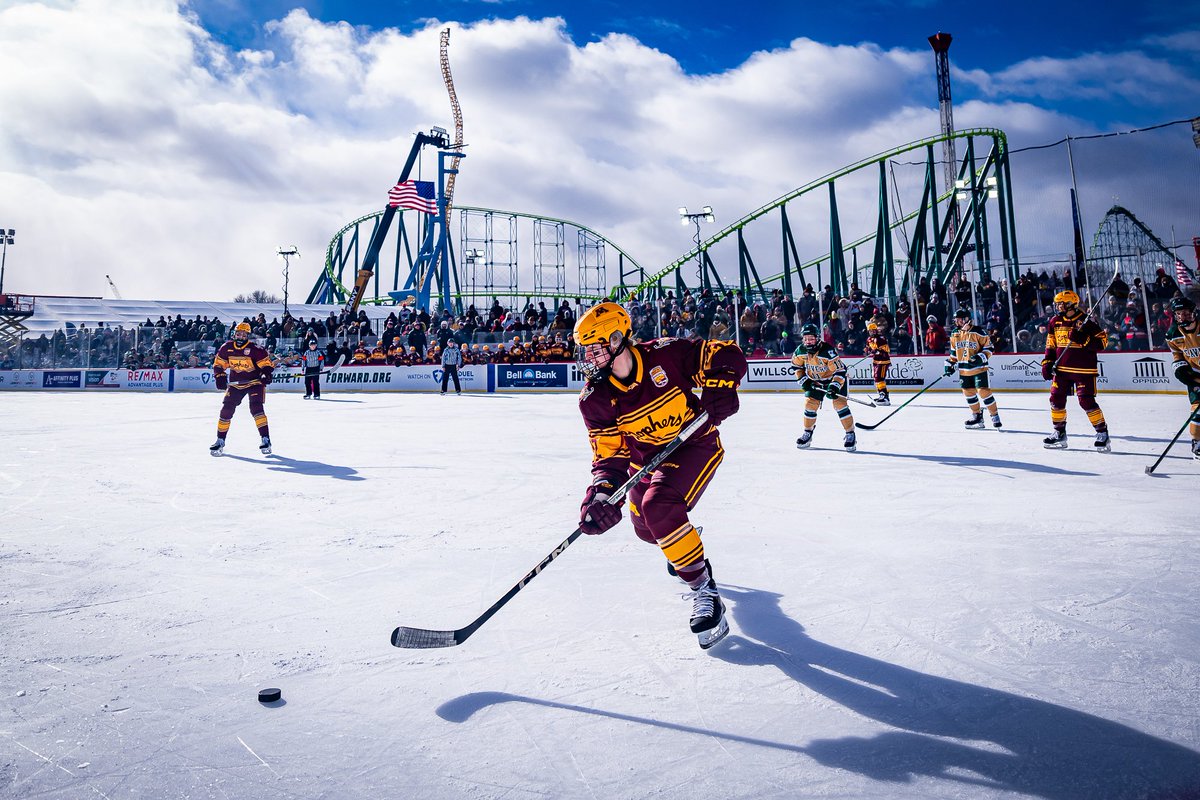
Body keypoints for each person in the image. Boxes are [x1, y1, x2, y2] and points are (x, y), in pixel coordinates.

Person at [573, 301, 747, 648]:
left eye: (593, 349)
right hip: (643, 465)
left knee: (659, 506)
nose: (587, 358)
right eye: (585, 351)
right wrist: (601, 494)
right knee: (649, 532)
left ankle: (704, 588)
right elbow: (609, 457)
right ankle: (680, 535)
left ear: (617, 339)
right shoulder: (594, 399)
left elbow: (726, 355)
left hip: (695, 446)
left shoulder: (666, 355)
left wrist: (722, 382)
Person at [1041, 290, 1110, 451]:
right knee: (1055, 400)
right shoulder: (1054, 322)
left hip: (1083, 370)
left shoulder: (1085, 322)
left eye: (1060, 303)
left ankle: (1102, 434)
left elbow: (1103, 342)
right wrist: (1047, 362)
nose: (1057, 306)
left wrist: (1083, 339)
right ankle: (1059, 433)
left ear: (1070, 304)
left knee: (1086, 401)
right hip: (1061, 370)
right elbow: (1050, 345)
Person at [209, 322, 274, 456]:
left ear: (247, 336)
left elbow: (267, 365)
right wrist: (220, 376)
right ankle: (220, 440)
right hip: (235, 384)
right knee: (226, 410)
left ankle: (265, 439)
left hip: (254, 383)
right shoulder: (226, 348)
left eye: (244, 334)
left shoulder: (256, 349)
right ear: (234, 334)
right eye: (238, 333)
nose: (241, 336)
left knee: (256, 408)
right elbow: (219, 364)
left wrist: (265, 373)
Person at [791, 323, 857, 452]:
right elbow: (797, 367)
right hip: (815, 382)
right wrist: (804, 381)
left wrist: (834, 386)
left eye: (811, 338)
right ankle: (808, 432)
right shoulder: (800, 351)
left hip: (835, 380)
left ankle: (850, 434)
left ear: (817, 338)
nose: (808, 341)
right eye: (805, 339)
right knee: (810, 406)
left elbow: (839, 371)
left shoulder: (828, 351)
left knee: (840, 406)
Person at [944, 308, 1002, 430]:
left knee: (983, 392)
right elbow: (954, 353)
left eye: (959, 320)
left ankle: (994, 415)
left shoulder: (978, 332)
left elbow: (990, 348)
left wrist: (980, 357)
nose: (957, 322)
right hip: (964, 371)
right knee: (968, 393)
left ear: (966, 319)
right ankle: (977, 416)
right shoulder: (955, 333)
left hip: (979, 369)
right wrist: (949, 364)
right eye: (956, 320)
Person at [1165, 296, 1200, 459]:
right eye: (1178, 314)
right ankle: (1197, 442)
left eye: (1186, 313)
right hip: (1196, 376)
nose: (1182, 317)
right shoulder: (1172, 334)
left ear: (1194, 312)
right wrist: (1180, 368)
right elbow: (1177, 355)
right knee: (1198, 409)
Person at [864, 321, 891, 405]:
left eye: (873, 330)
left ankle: (884, 396)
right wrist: (868, 351)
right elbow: (868, 349)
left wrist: (878, 351)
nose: (871, 332)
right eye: (870, 331)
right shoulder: (869, 339)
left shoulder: (880, 339)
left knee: (879, 377)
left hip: (883, 361)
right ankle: (881, 394)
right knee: (876, 377)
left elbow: (887, 350)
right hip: (876, 361)